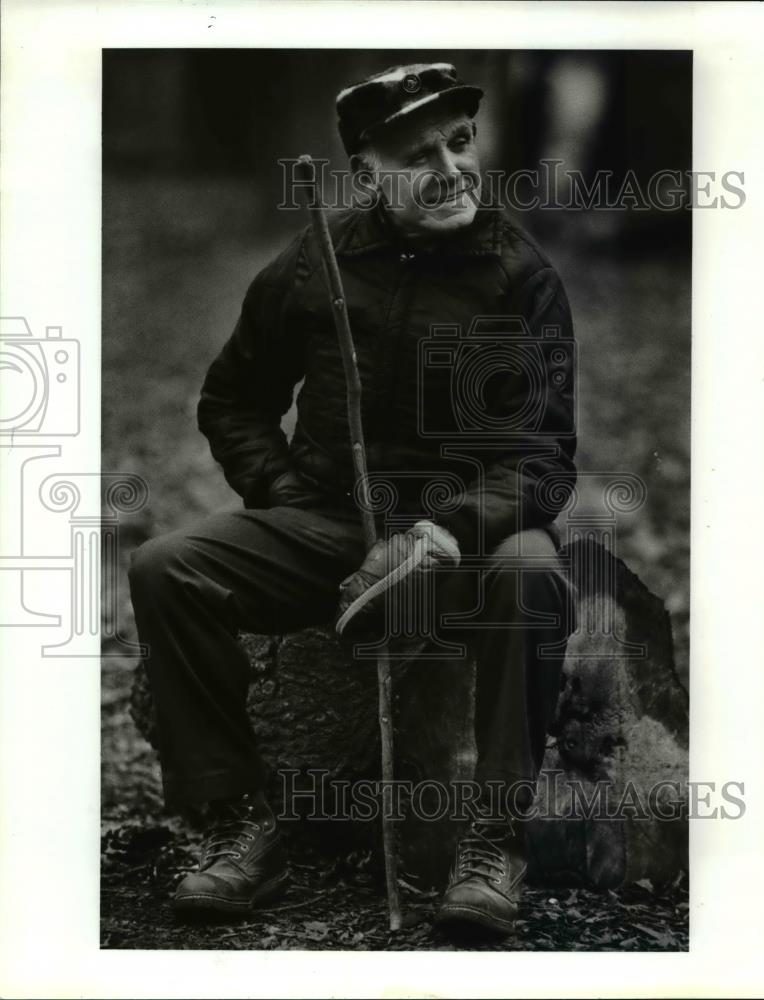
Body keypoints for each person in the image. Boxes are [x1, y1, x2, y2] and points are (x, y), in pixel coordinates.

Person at [129, 62, 577, 939]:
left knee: (534, 575)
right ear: (368, 171)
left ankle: (493, 842)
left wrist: (449, 532)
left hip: (471, 538)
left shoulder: (517, 276)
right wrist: (283, 490)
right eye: (417, 156)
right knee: (166, 567)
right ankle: (240, 826)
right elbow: (233, 399)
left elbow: (543, 457)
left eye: (459, 142)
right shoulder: (317, 260)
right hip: (331, 523)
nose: (449, 169)